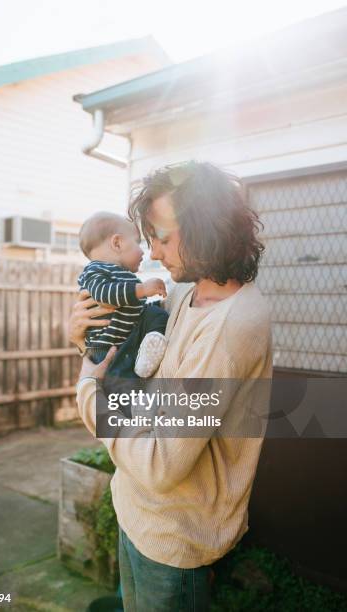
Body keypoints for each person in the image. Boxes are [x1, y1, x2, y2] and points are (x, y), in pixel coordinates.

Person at [70, 160, 272, 611]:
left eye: (162, 237)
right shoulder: (184, 293)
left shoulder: (230, 325)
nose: (154, 253)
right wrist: (87, 340)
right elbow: (134, 377)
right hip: (134, 510)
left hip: (172, 540)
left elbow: (162, 463)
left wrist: (86, 387)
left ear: (204, 228)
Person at [78, 211, 169, 379]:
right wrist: (141, 290)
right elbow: (104, 296)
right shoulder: (94, 270)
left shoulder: (123, 274)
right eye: (137, 243)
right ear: (117, 243)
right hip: (107, 346)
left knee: (158, 315)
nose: (144, 253)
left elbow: (135, 306)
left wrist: (156, 304)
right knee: (122, 384)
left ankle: (150, 351)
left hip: (129, 334)